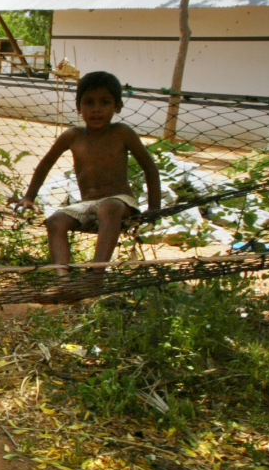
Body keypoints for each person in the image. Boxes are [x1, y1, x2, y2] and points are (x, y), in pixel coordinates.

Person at [12, 71, 162, 302]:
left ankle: (95, 277)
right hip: (87, 205)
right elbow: (44, 166)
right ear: (78, 107)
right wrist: (29, 197)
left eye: (105, 102)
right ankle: (64, 283)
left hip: (121, 203)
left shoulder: (122, 133)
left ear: (118, 106)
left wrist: (154, 209)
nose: (96, 109)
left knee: (108, 207)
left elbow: (150, 169)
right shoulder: (72, 136)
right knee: (55, 221)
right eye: (89, 102)